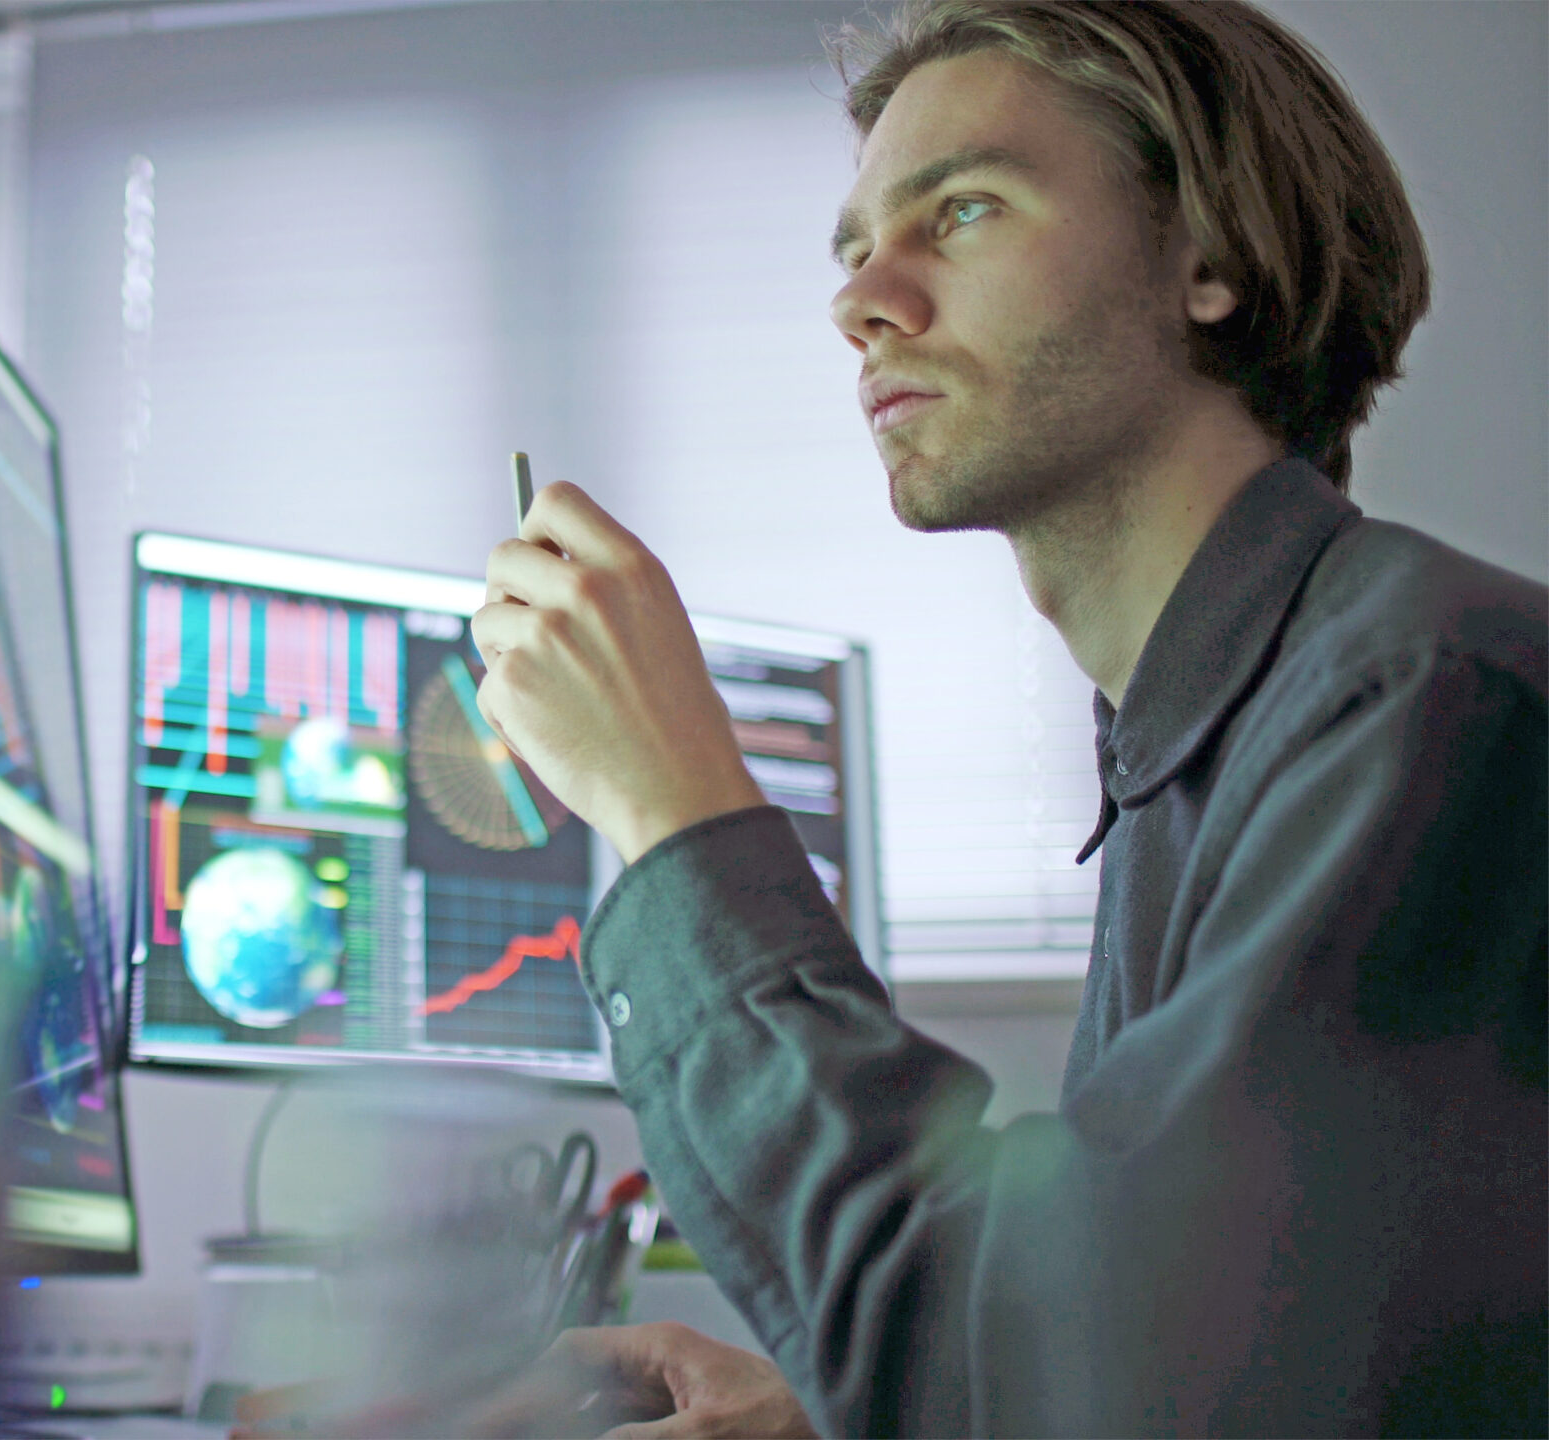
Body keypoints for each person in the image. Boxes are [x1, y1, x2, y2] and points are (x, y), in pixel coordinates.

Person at [471, 2, 1546, 1434]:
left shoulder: (1421, 706)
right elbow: (1173, 1373)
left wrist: (675, 808)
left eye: (961, 210)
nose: (864, 300)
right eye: (855, 252)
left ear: (1210, 259)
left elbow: (1094, 1379)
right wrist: (819, 1417)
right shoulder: (1210, 742)